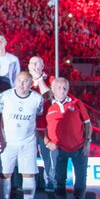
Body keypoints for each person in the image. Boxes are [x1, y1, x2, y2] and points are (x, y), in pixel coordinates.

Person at [0, 72, 45, 199]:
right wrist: (1, 138)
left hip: (28, 142)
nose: (22, 84)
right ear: (15, 81)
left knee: (28, 174)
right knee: (5, 174)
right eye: (19, 81)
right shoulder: (4, 97)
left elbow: (40, 116)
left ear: (31, 84)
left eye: (25, 82)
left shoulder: (37, 99)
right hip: (8, 141)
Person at [45, 77, 93, 199]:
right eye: (58, 88)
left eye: (64, 88)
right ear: (53, 89)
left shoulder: (77, 103)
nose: (62, 90)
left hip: (79, 148)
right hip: (59, 149)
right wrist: (47, 142)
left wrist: (87, 142)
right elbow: (40, 128)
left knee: (81, 180)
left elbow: (88, 124)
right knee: (59, 180)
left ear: (68, 89)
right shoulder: (47, 106)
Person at [28, 56, 57, 191]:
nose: (34, 66)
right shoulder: (26, 80)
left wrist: (39, 79)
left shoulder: (50, 79)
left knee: (47, 157)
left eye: (37, 63)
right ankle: (30, 183)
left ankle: (50, 181)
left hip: (46, 127)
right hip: (30, 127)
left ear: (42, 65)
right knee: (28, 157)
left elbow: (48, 96)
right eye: (32, 63)